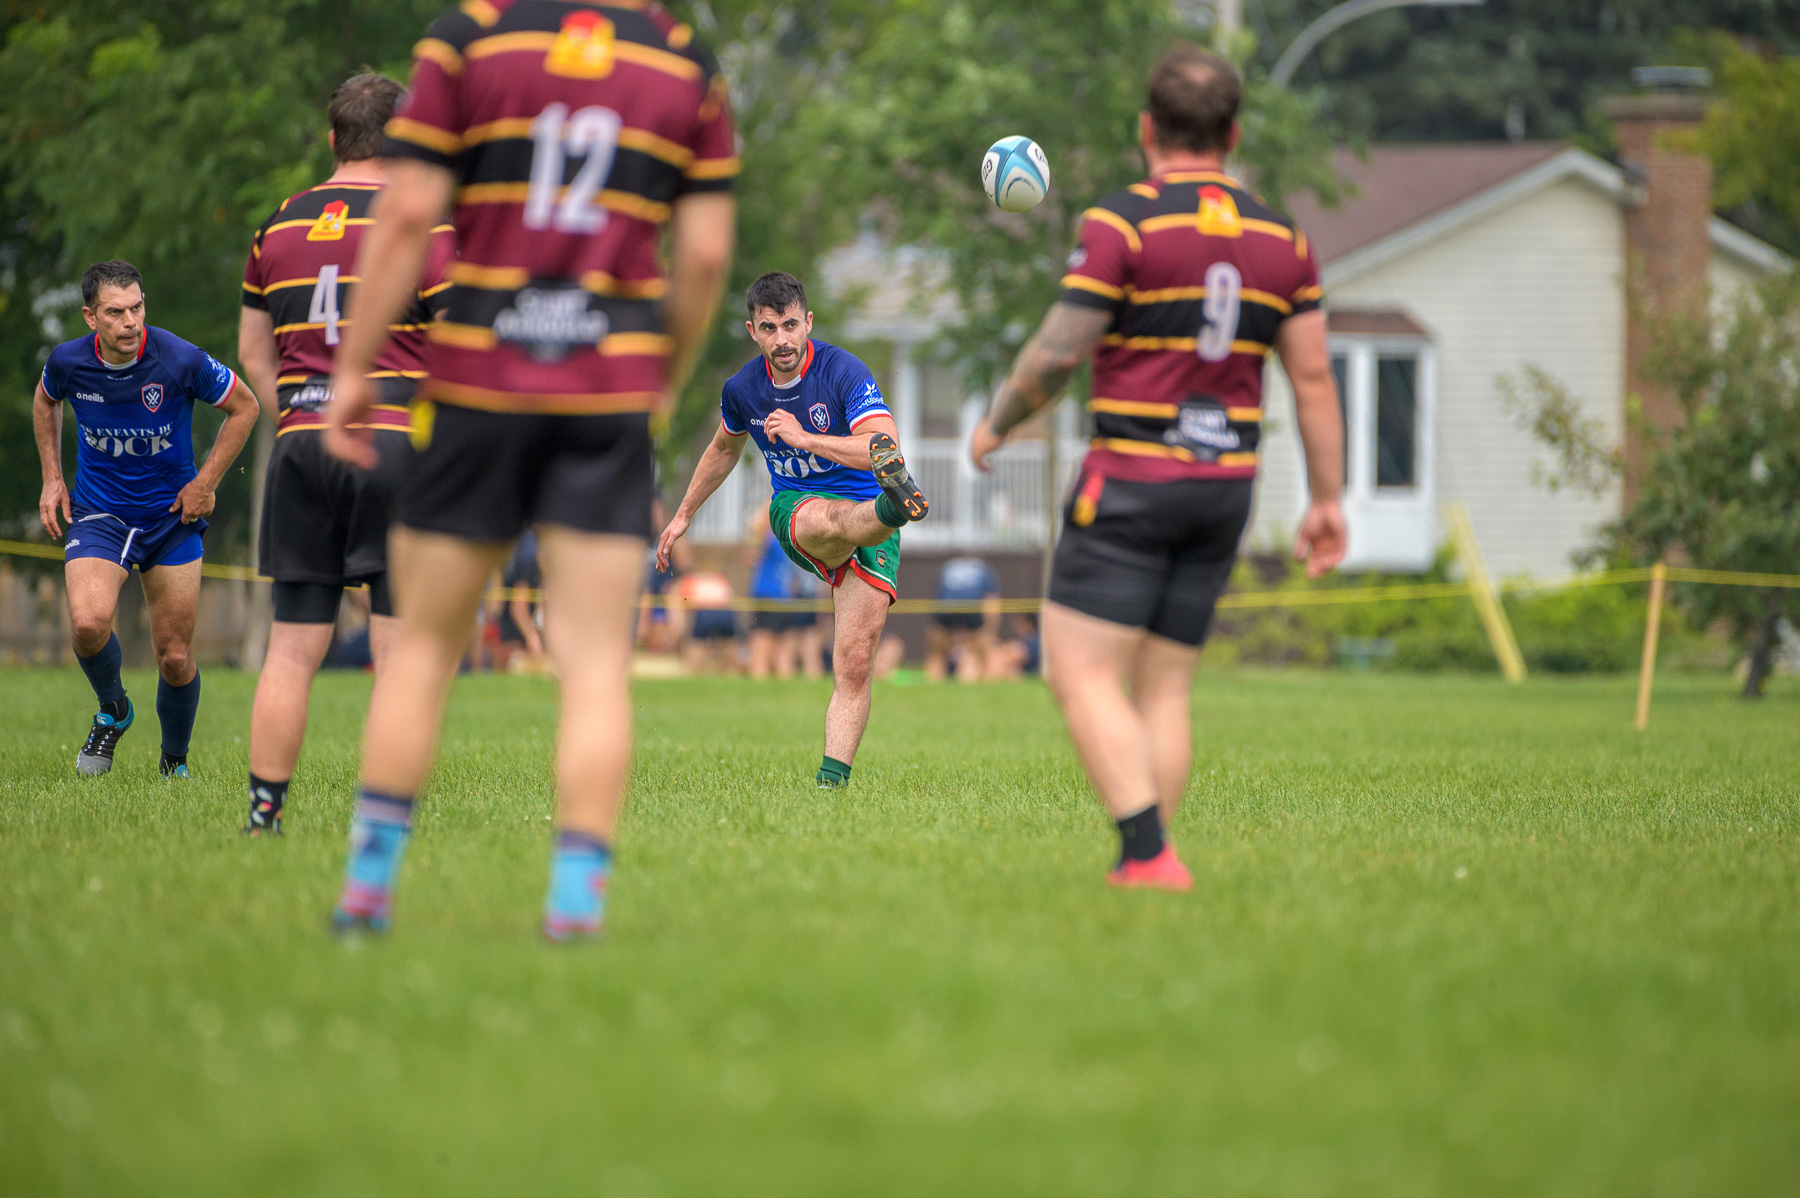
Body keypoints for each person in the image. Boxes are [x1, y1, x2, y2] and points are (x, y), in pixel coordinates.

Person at [321, 0, 736, 938]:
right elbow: (705, 254)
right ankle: (574, 907)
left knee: (422, 649)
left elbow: (410, 212)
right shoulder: (682, 60)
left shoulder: (466, 39)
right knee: (594, 666)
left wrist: (354, 367)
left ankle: (367, 892)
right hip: (604, 397)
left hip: (473, 386)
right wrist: (661, 371)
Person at [968, 45, 1346, 889]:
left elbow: (1060, 352)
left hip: (1133, 481)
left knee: (1079, 669)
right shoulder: (1285, 240)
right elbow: (1313, 377)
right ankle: (1144, 860)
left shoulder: (1124, 223)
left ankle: (1148, 854)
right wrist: (1327, 499)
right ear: (1235, 133)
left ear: (1147, 129)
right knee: (1164, 688)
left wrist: (998, 422)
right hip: (1225, 489)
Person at [238, 73, 456, 835]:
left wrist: (304, 420)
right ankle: (385, 821)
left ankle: (265, 814)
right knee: (398, 648)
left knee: (293, 647)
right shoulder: (421, 225)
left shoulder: (277, 226)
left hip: (300, 444)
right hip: (392, 443)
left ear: (332, 139)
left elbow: (253, 355)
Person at [658, 272, 929, 789]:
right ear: (752, 331)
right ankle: (891, 510)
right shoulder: (743, 389)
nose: (782, 339)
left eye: (789, 325)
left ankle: (831, 790)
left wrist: (806, 438)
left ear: (808, 322)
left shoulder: (843, 371)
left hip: (867, 509)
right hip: (796, 510)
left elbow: (883, 448)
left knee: (852, 663)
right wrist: (684, 514)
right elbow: (722, 449)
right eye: (768, 328)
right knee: (828, 519)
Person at [33, 261, 261, 779]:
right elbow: (46, 401)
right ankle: (114, 710)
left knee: (175, 657)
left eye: (137, 307)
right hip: (99, 513)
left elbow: (245, 407)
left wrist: (205, 485)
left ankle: (173, 764)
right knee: (89, 623)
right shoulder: (68, 363)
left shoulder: (179, 358)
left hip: (170, 518)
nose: (131, 322)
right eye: (116, 312)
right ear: (91, 318)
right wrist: (52, 478)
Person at [744, 507, 822, 679]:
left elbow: (751, 548)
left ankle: (759, 690)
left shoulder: (771, 539)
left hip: (767, 597)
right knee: (784, 653)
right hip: (787, 599)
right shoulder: (792, 540)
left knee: (761, 650)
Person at [925, 556, 1003, 682]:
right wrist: (991, 634)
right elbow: (992, 606)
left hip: (945, 611)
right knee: (977, 653)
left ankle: (933, 681)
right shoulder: (985, 570)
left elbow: (937, 597)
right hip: (972, 612)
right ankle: (968, 678)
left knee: (937, 654)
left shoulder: (947, 567)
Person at [676, 568, 738, 674]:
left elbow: (685, 600)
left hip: (704, 613)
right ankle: (731, 672)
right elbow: (730, 596)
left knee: (698, 642)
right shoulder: (720, 578)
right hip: (725, 612)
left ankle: (694, 671)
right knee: (728, 642)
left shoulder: (690, 579)